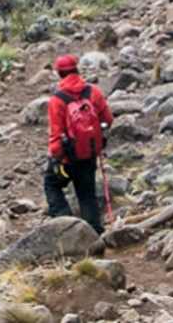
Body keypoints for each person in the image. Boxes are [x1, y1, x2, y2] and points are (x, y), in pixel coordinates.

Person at [44, 54, 114, 234]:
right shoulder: (93, 92)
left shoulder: (57, 100)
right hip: (89, 153)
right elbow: (107, 119)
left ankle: (65, 225)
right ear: (77, 69)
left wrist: (55, 158)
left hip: (68, 158)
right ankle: (95, 233)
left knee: (51, 183)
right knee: (87, 195)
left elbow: (56, 134)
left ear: (59, 73)